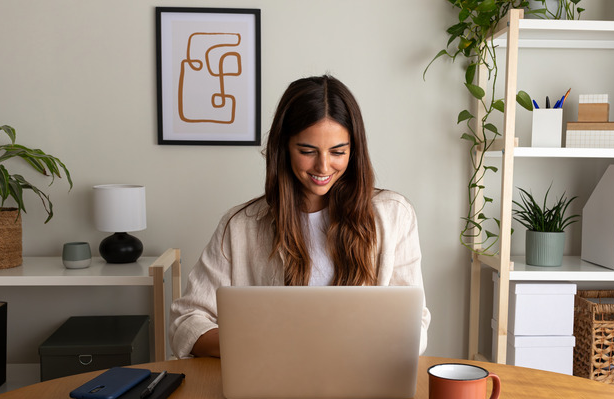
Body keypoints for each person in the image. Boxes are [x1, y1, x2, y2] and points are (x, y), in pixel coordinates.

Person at [169, 75, 431, 358]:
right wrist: (256, 344)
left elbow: (414, 323)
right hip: (270, 381)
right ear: (283, 148)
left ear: (353, 152)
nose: (323, 166)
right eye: (307, 151)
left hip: (362, 378)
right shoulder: (240, 226)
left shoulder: (394, 215)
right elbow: (186, 321)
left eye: (338, 152)